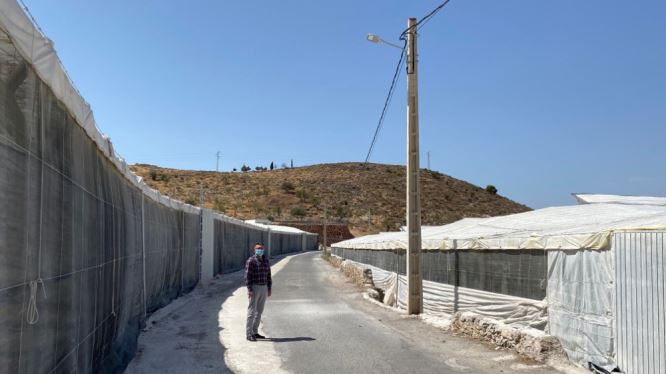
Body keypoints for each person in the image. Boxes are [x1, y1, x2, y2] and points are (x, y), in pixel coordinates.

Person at [245, 243, 272, 341]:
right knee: (252, 312)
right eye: (258, 248)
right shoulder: (251, 261)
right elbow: (247, 276)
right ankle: (248, 334)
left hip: (264, 287)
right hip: (255, 288)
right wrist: (250, 289)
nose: (260, 250)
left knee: (259, 312)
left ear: (264, 249)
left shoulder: (266, 261)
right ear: (254, 250)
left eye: (261, 248)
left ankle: (255, 332)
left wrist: (269, 288)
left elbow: (268, 275)